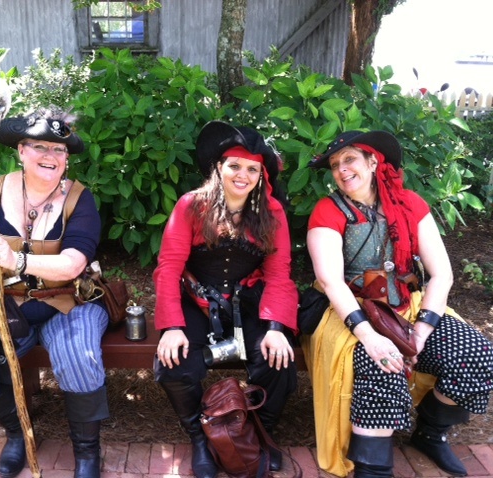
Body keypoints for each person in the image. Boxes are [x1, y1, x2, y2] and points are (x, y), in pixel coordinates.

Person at [302, 130, 493, 477]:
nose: (342, 170)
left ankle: (430, 435)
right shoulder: (328, 211)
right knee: (383, 362)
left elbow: (442, 274)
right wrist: (370, 337)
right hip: (347, 309)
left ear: (373, 162)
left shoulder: (410, 204)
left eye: (349, 160)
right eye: (334, 165)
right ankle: (373, 467)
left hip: (407, 306)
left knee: (474, 353)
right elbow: (331, 281)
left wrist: (420, 332)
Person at [0, 107, 109, 478]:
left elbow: (71, 265)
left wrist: (16, 260)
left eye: (59, 150)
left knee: (78, 356)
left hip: (68, 301)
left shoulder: (79, 200)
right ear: (21, 151)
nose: (50, 156)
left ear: (67, 159)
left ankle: (87, 450)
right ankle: (17, 433)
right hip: (7, 306)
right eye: (40, 147)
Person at [153, 120, 299, 478]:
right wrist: (172, 326)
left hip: (247, 303)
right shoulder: (191, 206)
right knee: (173, 365)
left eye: (252, 169)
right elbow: (169, 268)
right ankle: (201, 438)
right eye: (235, 166)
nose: (242, 175)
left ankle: (259, 435)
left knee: (278, 360)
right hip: (197, 304)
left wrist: (275, 327)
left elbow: (279, 274)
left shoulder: (272, 212)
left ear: (261, 175)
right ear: (218, 168)